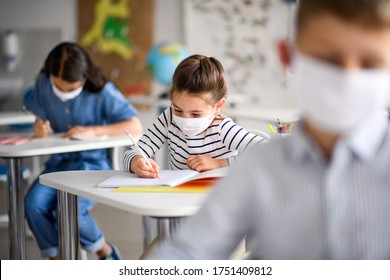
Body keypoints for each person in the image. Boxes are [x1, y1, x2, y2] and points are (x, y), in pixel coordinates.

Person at [147, 0, 390, 259]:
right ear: (288, 56)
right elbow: (189, 251)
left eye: (370, 63)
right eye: (327, 59)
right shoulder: (258, 167)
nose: (347, 78)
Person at [24, 42, 143, 260]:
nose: (64, 93)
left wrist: (94, 130)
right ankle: (57, 261)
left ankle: (105, 252)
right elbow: (38, 117)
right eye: (58, 87)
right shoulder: (42, 84)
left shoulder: (102, 91)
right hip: (58, 166)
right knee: (33, 205)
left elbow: (135, 126)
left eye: (71, 89)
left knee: (69, 212)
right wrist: (39, 128)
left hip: (93, 165)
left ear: (84, 77)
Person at [123, 54, 267, 178]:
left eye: (196, 114)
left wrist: (220, 163)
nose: (185, 120)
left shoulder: (222, 129)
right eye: (178, 110)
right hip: (180, 199)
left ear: (218, 106)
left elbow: (266, 152)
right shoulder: (169, 118)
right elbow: (135, 150)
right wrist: (136, 162)